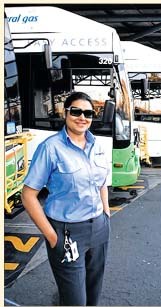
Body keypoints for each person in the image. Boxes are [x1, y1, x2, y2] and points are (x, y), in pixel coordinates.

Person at [21, 91, 110, 306]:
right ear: (65, 113)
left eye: (88, 113)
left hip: (99, 228)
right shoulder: (50, 148)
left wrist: (106, 214)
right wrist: (52, 236)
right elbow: (28, 195)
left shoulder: (97, 145)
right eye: (76, 111)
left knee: (93, 295)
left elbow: (102, 183)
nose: (82, 117)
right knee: (74, 301)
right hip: (67, 233)